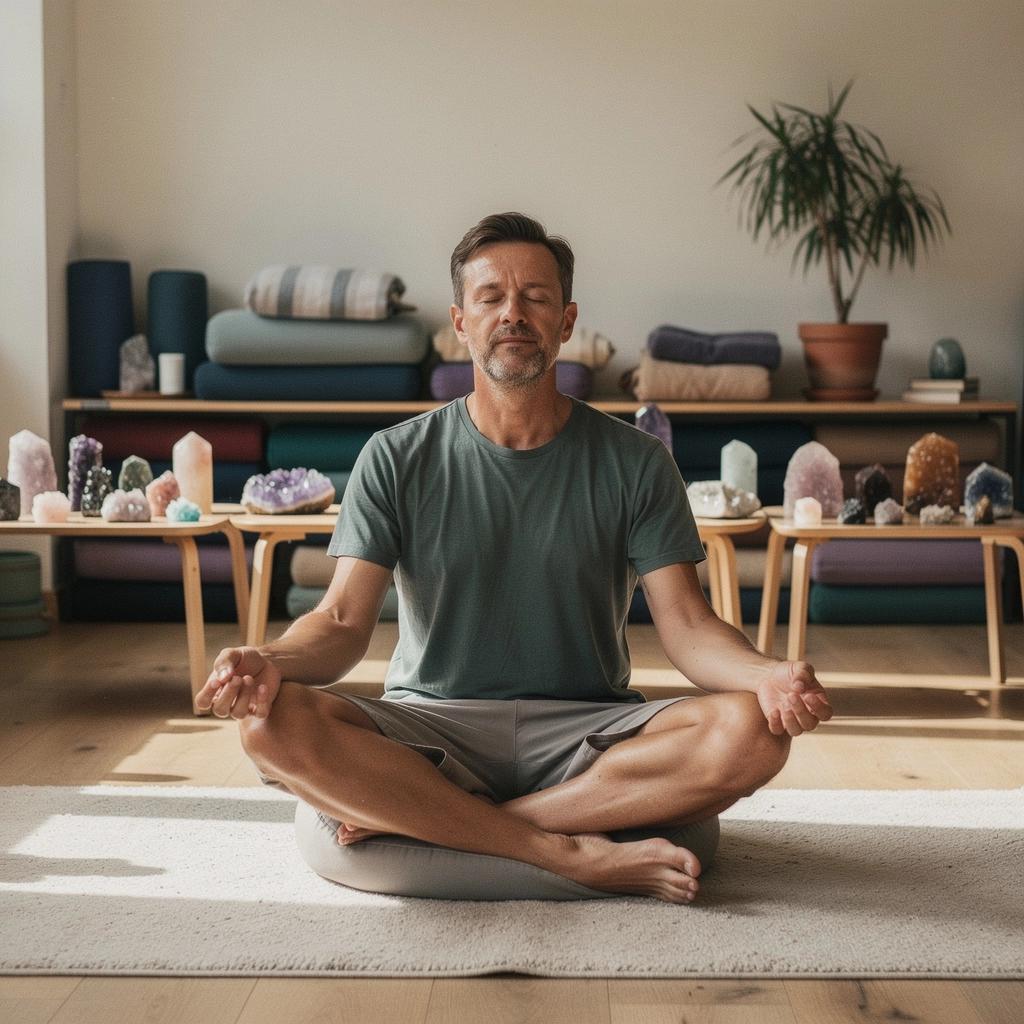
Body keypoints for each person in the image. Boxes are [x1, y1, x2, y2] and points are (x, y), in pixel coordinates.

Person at [196, 212, 832, 904]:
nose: (513, 314)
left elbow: (688, 626)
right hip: (431, 724)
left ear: (566, 321)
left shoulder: (638, 461)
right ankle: (563, 850)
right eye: (491, 297)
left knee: (754, 732)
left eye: (535, 297)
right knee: (270, 725)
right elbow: (343, 623)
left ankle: (447, 819)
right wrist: (270, 660)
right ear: (460, 323)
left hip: (587, 729)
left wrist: (766, 675)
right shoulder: (395, 456)